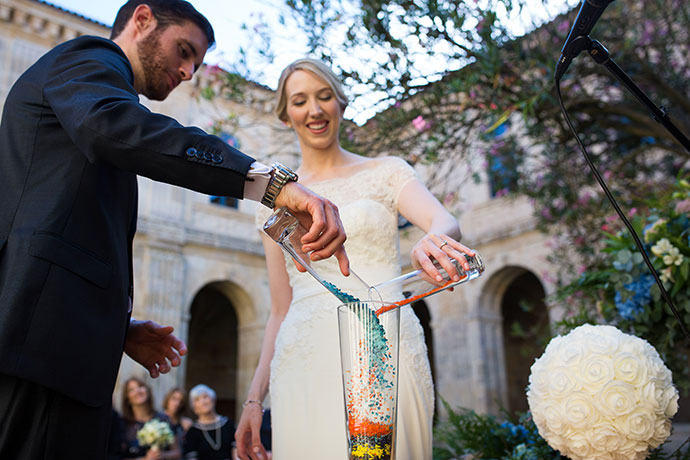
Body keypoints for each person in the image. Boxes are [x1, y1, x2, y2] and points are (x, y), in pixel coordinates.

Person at [0, 1, 350, 459]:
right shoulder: (87, 59)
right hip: (40, 354)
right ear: (142, 20)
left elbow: (62, 221)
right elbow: (119, 129)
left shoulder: (101, 98)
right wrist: (269, 185)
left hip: (58, 345)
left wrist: (114, 326)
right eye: (183, 51)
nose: (188, 71)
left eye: (197, 64)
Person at [234, 58, 476, 460]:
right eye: (300, 101)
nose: (314, 109)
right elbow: (279, 310)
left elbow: (444, 219)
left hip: (387, 347)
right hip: (304, 358)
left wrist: (433, 238)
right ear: (285, 114)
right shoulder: (272, 205)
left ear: (341, 104)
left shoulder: (387, 171)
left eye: (324, 96)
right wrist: (254, 400)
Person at [121, 377, 181, 460]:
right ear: (127, 399)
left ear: (147, 391)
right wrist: (145, 459)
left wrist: (163, 455)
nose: (138, 391)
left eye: (140, 386)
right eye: (131, 390)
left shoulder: (163, 419)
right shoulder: (123, 423)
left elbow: (177, 453)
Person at [183, 384, 235, 460]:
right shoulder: (192, 431)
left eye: (205, 397)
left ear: (213, 400)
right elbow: (191, 457)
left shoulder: (228, 424)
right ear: (194, 408)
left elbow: (236, 450)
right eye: (197, 400)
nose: (203, 402)